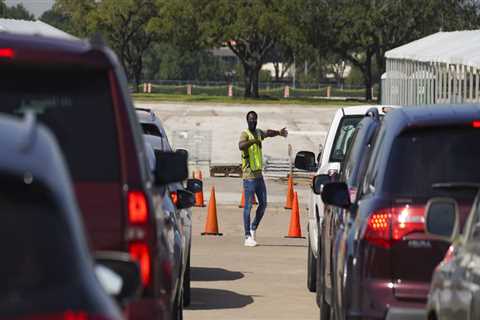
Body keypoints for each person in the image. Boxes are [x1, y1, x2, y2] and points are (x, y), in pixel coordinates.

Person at [238, 111, 288, 247]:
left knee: (263, 204)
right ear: (247, 121)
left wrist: (278, 132)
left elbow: (268, 133)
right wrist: (254, 141)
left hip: (259, 176)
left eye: (254, 120)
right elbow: (241, 145)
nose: (252, 122)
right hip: (249, 177)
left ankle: (253, 228)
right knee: (248, 206)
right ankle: (247, 236)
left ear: (257, 120)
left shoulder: (259, 133)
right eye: (250, 120)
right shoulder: (245, 134)